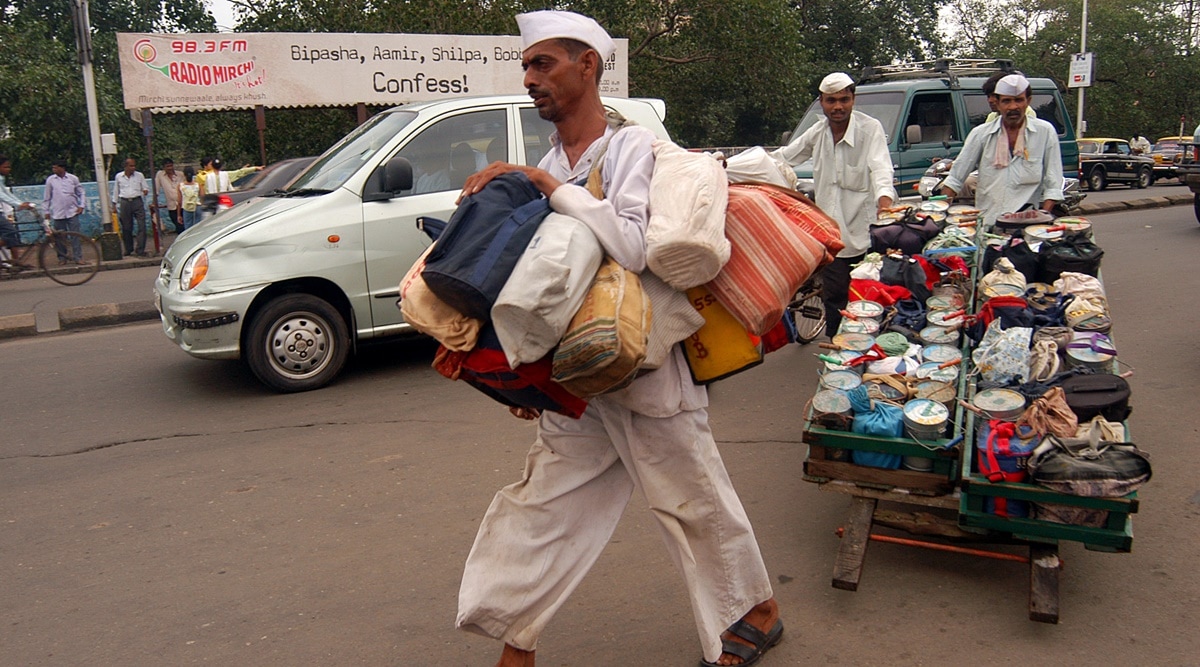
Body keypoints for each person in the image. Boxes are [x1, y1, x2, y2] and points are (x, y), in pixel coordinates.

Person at [454, 11, 782, 667]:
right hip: (579, 372)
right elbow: (543, 283)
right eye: (526, 66)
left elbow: (633, 244)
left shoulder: (632, 148)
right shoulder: (547, 161)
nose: (530, 79)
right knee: (544, 501)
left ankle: (757, 613)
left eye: (543, 64)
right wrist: (528, 376)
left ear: (588, 67)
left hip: (648, 365)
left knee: (692, 501)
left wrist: (553, 191)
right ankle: (517, 640)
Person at [771, 72, 896, 337]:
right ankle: (837, 347)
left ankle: (869, 343)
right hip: (830, 231)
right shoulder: (817, 133)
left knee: (867, 291)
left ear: (853, 99)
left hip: (864, 228)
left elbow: (881, 168)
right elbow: (784, 158)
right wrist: (739, 165)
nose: (838, 106)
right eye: (831, 101)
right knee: (835, 294)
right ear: (822, 102)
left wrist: (885, 201)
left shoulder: (869, 128)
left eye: (843, 100)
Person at [941, 74, 1063, 227]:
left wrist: (1043, 219)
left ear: (1028, 101)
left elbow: (1053, 184)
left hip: (1028, 225)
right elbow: (955, 180)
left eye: (1018, 100)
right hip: (988, 224)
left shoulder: (1045, 132)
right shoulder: (981, 134)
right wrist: (937, 214)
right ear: (997, 104)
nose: (1013, 107)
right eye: (1006, 101)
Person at [42, 159, 87, 264]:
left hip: (72, 211)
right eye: (53, 167)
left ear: (62, 168)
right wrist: (46, 211)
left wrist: (82, 205)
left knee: (75, 235)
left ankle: (78, 257)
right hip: (58, 213)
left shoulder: (73, 179)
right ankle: (62, 257)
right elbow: (47, 197)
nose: (54, 169)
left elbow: (81, 192)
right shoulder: (51, 180)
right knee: (59, 237)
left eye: (56, 167)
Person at [0, 155, 37, 267]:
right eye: (6, 167)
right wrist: (18, 204)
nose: (8, 169)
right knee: (11, 232)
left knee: (10, 234)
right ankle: (15, 262)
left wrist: (21, 203)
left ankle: (16, 263)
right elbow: (1, 195)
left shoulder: (1, 179)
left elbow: (7, 194)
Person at [112, 157, 150, 257]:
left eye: (134, 165)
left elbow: (145, 187)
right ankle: (128, 249)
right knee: (126, 227)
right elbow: (116, 190)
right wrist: (114, 204)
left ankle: (140, 249)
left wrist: (145, 190)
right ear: (125, 166)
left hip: (137, 201)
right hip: (125, 202)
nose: (133, 168)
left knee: (142, 226)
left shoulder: (139, 175)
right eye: (131, 166)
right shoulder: (119, 176)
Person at [155, 158, 184, 233]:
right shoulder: (160, 175)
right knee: (178, 226)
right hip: (172, 206)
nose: (170, 168)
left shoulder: (180, 174)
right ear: (164, 167)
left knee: (184, 227)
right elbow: (156, 190)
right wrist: (154, 201)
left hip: (183, 205)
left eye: (171, 166)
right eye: (167, 166)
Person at [178, 166, 201, 230]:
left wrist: (179, 215)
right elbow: (202, 197)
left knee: (188, 229)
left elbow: (179, 201)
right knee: (198, 227)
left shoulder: (180, 186)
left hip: (186, 208)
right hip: (197, 207)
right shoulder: (198, 185)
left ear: (184, 174)